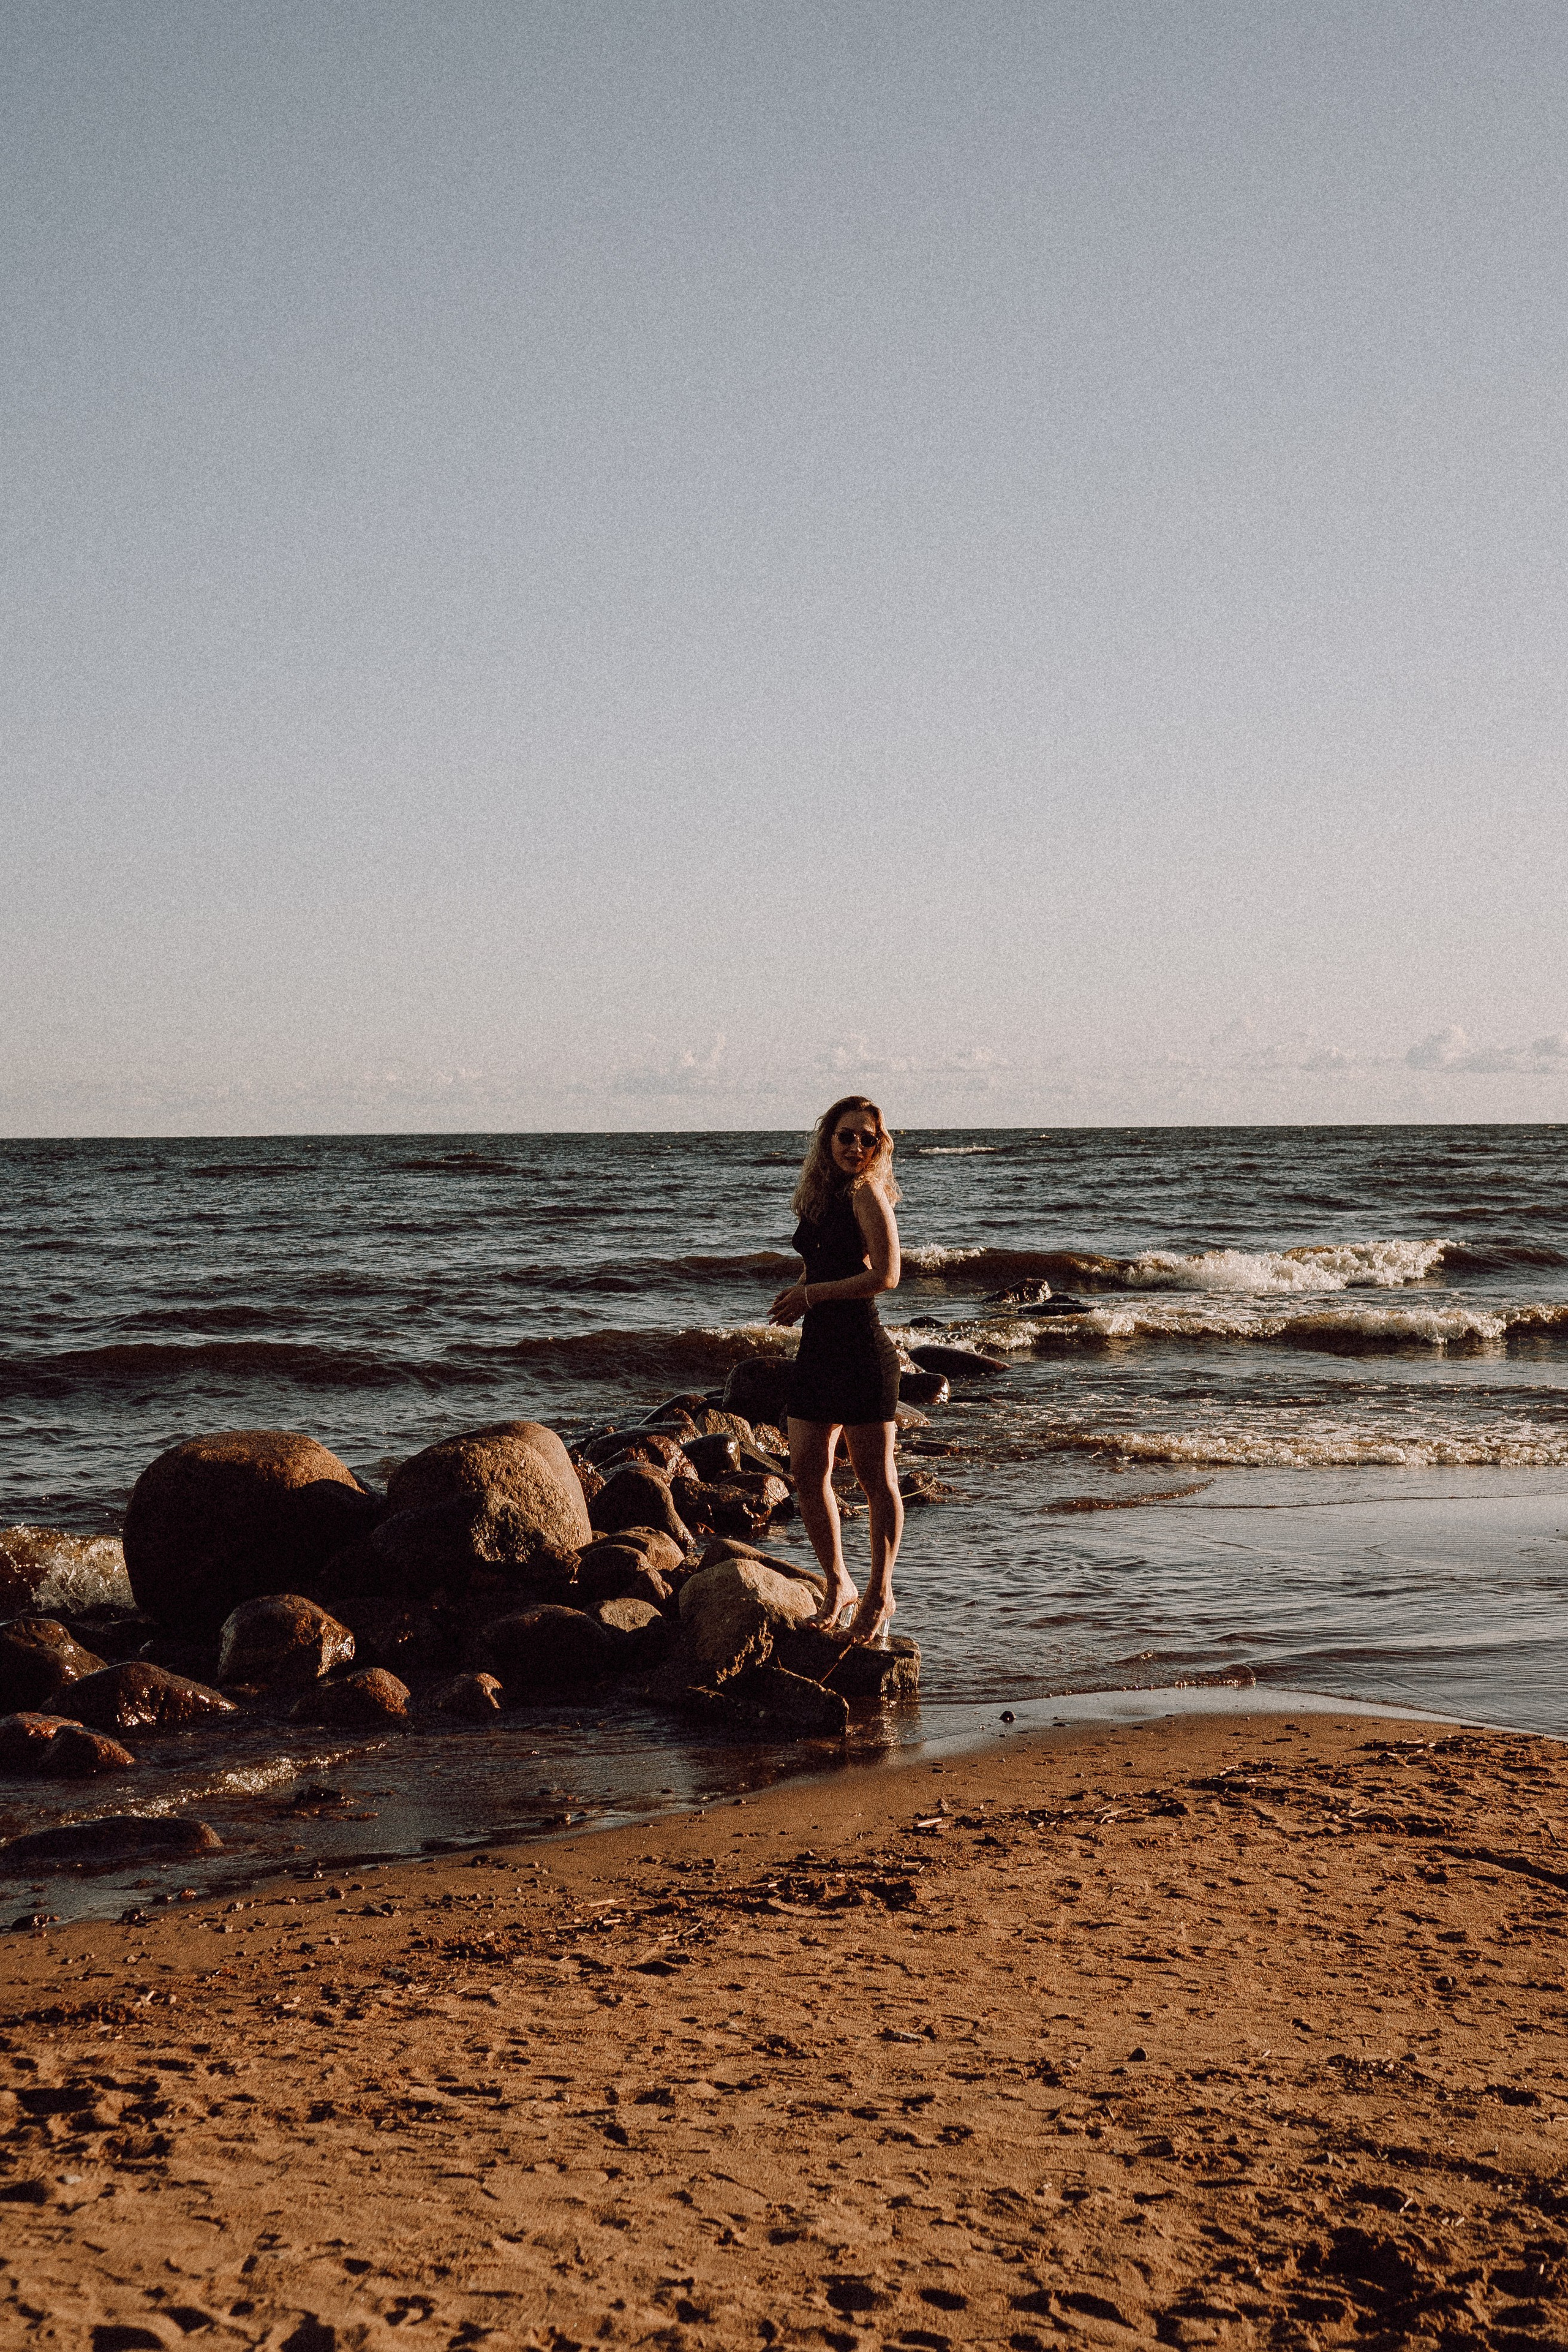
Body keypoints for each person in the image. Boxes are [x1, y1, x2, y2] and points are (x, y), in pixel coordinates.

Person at [768, 1095, 903, 1644]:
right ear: (828, 1139)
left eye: (866, 1139)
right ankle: (838, 1583)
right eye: (846, 1136)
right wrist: (804, 1292)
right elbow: (817, 1259)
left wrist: (812, 1295)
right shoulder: (818, 1197)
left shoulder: (869, 1195)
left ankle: (879, 1593)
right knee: (807, 1473)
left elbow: (888, 1276)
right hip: (818, 1350)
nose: (855, 1146)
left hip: (862, 1354)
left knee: (876, 1481)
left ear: (878, 1146)